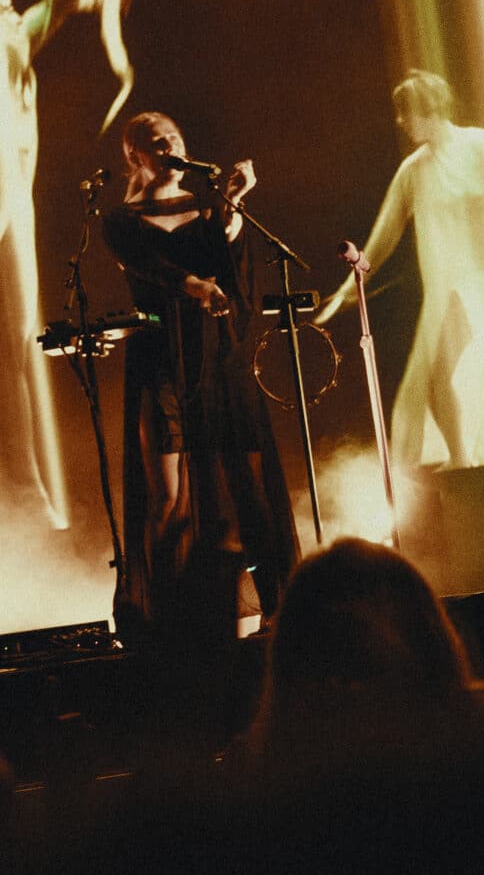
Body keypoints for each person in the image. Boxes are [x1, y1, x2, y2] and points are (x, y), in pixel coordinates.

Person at [314, 71, 484, 468]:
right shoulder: (413, 170)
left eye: (406, 112)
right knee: (441, 371)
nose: (401, 121)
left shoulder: (483, 146)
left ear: (430, 108)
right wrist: (345, 292)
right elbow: (383, 238)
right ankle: (463, 463)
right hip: (458, 287)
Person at [102, 111, 298, 643]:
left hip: (216, 354)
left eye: (175, 138)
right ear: (135, 156)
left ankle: (276, 607)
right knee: (166, 493)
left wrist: (232, 202)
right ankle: (167, 621)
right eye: (156, 142)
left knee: (247, 484)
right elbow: (151, 268)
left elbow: (231, 267)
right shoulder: (121, 220)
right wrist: (194, 286)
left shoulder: (208, 207)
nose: (169, 147)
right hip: (161, 357)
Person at [1, 0, 130, 531]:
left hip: (11, 203)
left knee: (17, 343)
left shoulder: (10, 39)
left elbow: (46, 13)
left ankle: (24, 482)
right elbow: (48, 11)